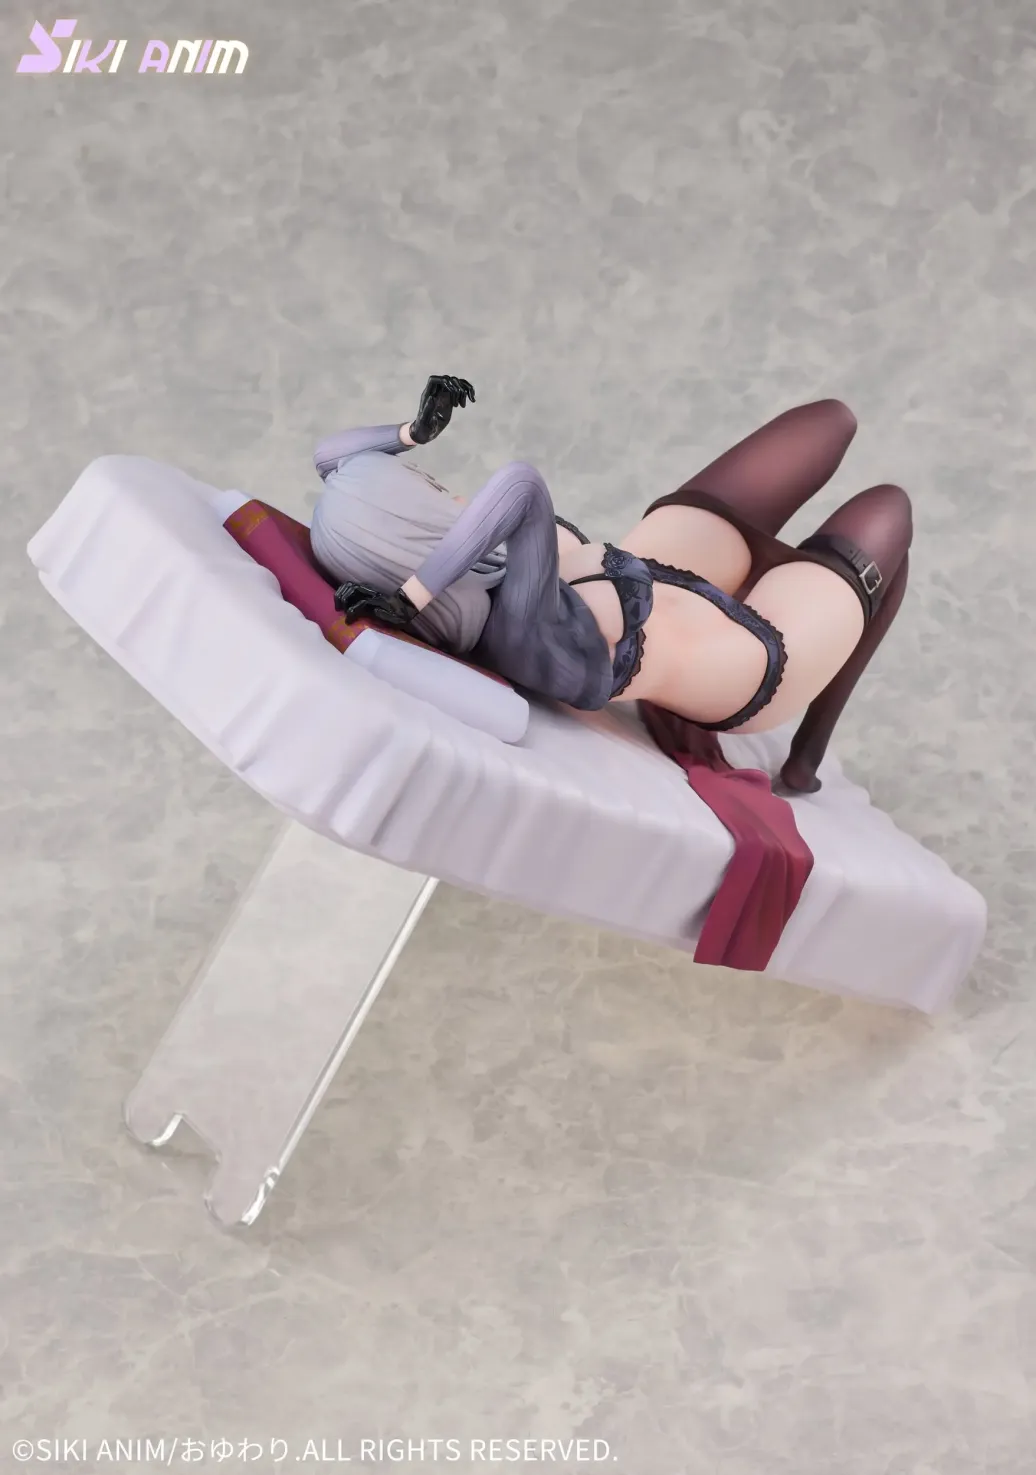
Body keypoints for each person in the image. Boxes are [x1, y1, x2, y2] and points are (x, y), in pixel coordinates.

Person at [309, 376, 912, 794]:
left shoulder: (490, 573)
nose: (457, 498)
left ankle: (809, 756)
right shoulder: (520, 629)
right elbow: (520, 485)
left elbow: (327, 459)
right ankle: (806, 756)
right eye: (436, 495)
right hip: (754, 658)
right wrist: (411, 598)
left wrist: (413, 432)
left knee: (830, 420)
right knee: (888, 509)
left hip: (675, 564)